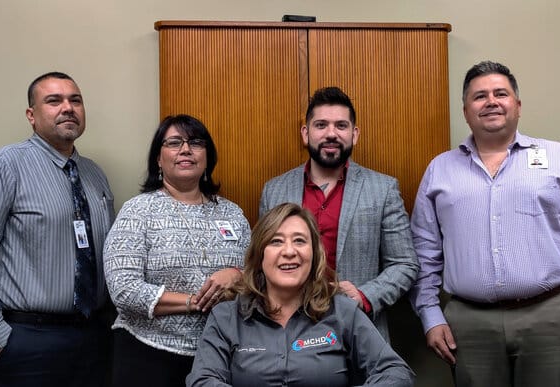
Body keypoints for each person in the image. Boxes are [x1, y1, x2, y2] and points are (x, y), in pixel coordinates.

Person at [410, 61, 560, 387]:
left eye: (501, 93)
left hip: (551, 319)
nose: (491, 101)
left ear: (518, 106)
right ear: (466, 111)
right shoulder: (440, 170)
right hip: (468, 327)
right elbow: (424, 253)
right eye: (479, 96)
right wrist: (429, 315)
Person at [0, 71, 116, 387]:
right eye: (54, 101)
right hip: (28, 341)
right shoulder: (4, 165)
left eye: (75, 100)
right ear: (31, 115)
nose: (68, 107)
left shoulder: (94, 174)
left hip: (93, 340)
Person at [187, 203, 416, 387]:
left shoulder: (342, 311)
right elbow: (202, 379)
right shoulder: (226, 316)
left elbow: (396, 372)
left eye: (300, 241)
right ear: (259, 256)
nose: (289, 251)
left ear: (314, 254)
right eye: (276, 241)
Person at [259, 86, 418, 340]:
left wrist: (364, 296)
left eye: (341, 126)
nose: (331, 133)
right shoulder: (274, 190)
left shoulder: (383, 189)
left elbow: (405, 264)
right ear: (305, 133)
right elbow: (261, 263)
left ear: (354, 135)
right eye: (321, 125)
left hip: (357, 331)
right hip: (286, 331)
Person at [103, 114, 250, 387]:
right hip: (148, 355)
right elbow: (123, 289)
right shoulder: (138, 211)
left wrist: (236, 274)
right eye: (174, 143)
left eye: (195, 142)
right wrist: (193, 302)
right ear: (158, 159)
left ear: (208, 156)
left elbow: (258, 276)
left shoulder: (232, 213)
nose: (186, 149)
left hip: (221, 356)